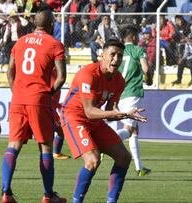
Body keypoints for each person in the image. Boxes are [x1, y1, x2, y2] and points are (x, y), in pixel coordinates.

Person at [60, 39, 147, 202]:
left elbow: (108, 111)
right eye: (112, 54)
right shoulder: (88, 74)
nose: (116, 59)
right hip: (74, 117)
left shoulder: (119, 80)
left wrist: (125, 114)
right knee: (93, 160)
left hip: (94, 120)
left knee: (124, 157)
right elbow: (90, 111)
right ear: (102, 55)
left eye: (119, 56)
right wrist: (114, 115)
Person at [3, 10, 67, 203]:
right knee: (46, 147)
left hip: (18, 98)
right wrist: (48, 93)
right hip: (39, 99)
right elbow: (62, 77)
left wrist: (17, 92)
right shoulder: (55, 44)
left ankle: (6, 193)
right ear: (51, 25)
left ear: (34, 24)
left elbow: (9, 72)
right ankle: (48, 195)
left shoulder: (20, 41)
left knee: (13, 145)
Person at [117, 26, 151, 176]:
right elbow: (145, 68)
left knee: (134, 129)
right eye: (137, 35)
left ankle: (139, 166)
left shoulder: (118, 51)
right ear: (133, 37)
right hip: (132, 92)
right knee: (128, 129)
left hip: (120, 93)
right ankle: (105, 142)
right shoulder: (138, 50)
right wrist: (149, 79)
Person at [50, 69, 71, 160]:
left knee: (60, 130)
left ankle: (55, 153)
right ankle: (54, 153)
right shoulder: (50, 78)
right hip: (49, 110)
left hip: (52, 109)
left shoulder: (56, 78)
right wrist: (59, 105)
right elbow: (47, 97)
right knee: (60, 130)